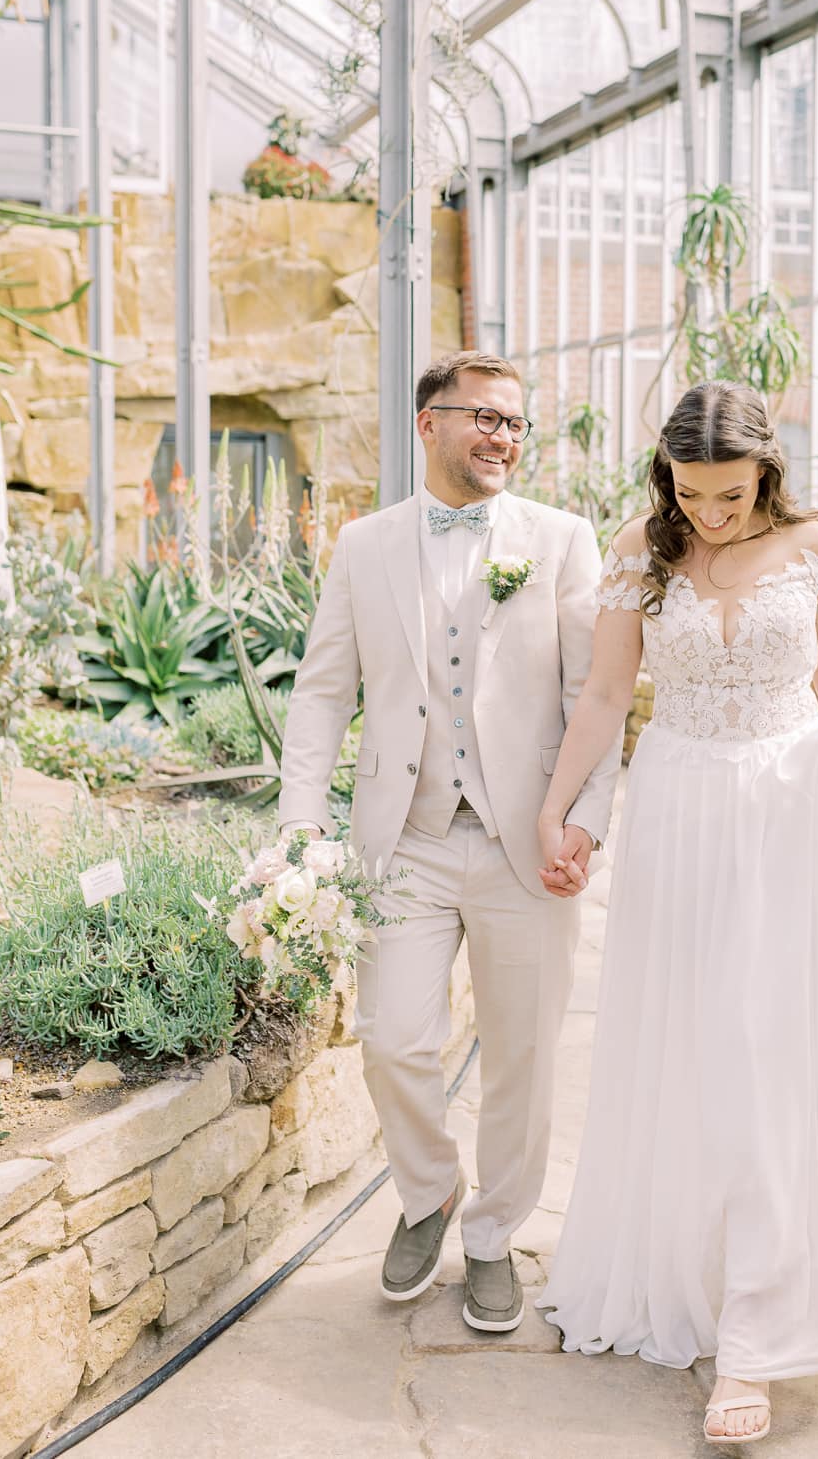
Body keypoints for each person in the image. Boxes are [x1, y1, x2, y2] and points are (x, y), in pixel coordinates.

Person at [535, 381, 818, 1448]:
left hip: (786, 810)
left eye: (731, 496)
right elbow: (603, 695)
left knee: (769, 1054)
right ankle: (685, 1263)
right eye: (694, 495)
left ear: (766, 472)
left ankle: (759, 1338)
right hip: (680, 810)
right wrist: (561, 808)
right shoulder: (642, 544)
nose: (713, 516)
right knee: (686, 1048)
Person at [278, 351, 622, 1334]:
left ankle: (492, 1235)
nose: (503, 436)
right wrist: (302, 829)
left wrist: (586, 823)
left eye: (515, 422)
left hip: (531, 843)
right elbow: (321, 695)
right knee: (391, 1038)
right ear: (428, 423)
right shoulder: (364, 545)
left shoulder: (561, 541)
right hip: (408, 841)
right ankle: (428, 1194)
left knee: (523, 1056)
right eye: (483, 417)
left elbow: (595, 702)